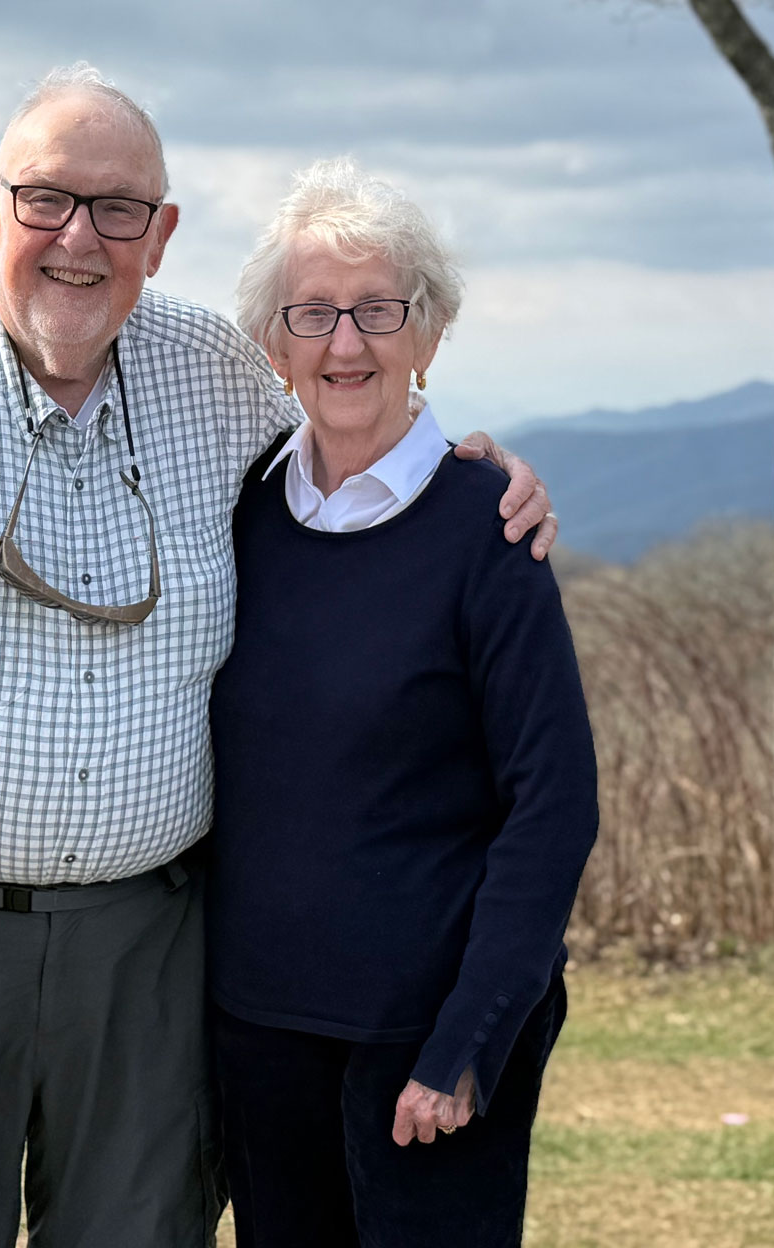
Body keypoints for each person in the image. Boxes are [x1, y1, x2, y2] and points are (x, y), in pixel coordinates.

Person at [0, 67, 559, 1246]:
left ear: (160, 239)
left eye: (119, 210)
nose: (79, 238)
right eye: (46, 200)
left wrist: (477, 473)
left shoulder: (218, 379)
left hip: (155, 949)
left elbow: (353, 449)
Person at [205, 159, 599, 1247]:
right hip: (259, 1034)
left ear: (427, 335)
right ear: (273, 347)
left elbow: (553, 806)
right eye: (314, 314)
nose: (346, 344)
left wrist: (468, 1040)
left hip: (424, 1046)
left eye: (378, 310)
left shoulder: (489, 530)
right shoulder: (239, 517)